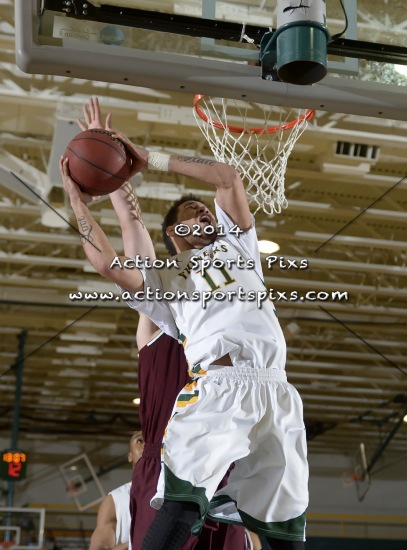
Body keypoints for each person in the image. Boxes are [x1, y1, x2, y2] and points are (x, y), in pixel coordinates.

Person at [61, 100, 308, 550]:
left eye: (205, 209)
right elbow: (110, 260)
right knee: (179, 510)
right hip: (218, 387)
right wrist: (78, 200)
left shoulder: (240, 245)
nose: (205, 212)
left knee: (285, 524)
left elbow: (228, 176)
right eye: (194, 212)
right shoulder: (166, 282)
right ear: (174, 235)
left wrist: (144, 158)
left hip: (277, 388)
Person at [89, 431, 144, 550]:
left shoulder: (177, 494)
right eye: (140, 441)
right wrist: (134, 545)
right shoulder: (115, 500)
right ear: (130, 456)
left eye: (151, 441)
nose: (146, 445)